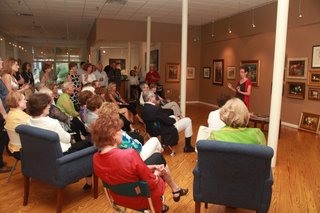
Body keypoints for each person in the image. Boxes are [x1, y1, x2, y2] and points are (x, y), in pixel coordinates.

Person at [26, 93, 93, 190]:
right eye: (48, 105)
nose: (50, 106)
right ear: (42, 107)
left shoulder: (29, 121)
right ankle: (88, 182)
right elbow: (67, 139)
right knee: (89, 145)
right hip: (61, 156)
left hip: (43, 156)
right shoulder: (52, 123)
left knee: (83, 144)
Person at [4, 92, 30, 159]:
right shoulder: (23, 117)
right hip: (24, 150)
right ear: (17, 102)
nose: (26, 101)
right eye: (24, 99)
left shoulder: (9, 114)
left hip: (14, 149)